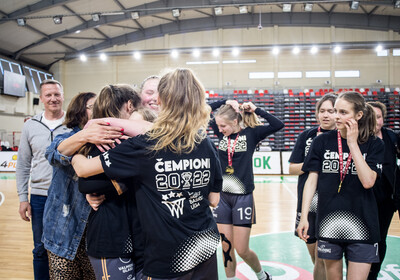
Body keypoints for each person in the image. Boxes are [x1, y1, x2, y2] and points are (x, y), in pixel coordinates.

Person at [71, 68, 223, 280]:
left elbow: (83, 169)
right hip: (205, 246)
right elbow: (214, 199)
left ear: (160, 99)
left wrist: (76, 155)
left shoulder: (146, 145)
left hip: (168, 256)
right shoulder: (204, 142)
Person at [297, 91, 384, 280]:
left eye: (343, 112)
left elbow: (368, 181)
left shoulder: (374, 144)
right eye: (336, 111)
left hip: (364, 225)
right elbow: (311, 180)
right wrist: (304, 217)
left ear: (358, 115)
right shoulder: (321, 141)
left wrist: (352, 143)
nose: (336, 116)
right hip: (328, 223)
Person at [77, 84, 153, 280]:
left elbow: (86, 180)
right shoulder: (105, 139)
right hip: (112, 235)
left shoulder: (141, 139)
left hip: (145, 236)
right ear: (129, 106)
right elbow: (85, 184)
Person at [210, 99, 284, 280]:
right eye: (218, 126)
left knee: (241, 249)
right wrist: (223, 102)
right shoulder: (221, 134)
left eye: (223, 126)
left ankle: (261, 275)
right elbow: (203, 111)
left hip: (242, 197)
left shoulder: (252, 134)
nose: (219, 130)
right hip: (222, 198)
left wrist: (257, 109)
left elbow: (278, 124)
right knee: (226, 247)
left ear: (235, 122)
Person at [16, 79, 69, 280]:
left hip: (67, 196)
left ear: (63, 96)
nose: (53, 99)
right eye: (48, 95)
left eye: (57, 94)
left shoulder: (74, 123)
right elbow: (22, 164)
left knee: (68, 247)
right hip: (39, 197)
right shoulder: (30, 126)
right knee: (40, 248)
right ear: (42, 99)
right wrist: (23, 198)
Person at [43, 92, 98, 280]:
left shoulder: (107, 141)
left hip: (95, 236)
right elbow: (54, 153)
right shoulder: (65, 138)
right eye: (92, 106)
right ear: (80, 111)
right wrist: (86, 136)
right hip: (62, 232)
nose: (98, 109)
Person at [289, 93, 337, 280]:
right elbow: (293, 168)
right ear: (317, 113)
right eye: (322, 111)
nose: (326, 115)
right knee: (313, 253)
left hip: (332, 203)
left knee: (323, 256)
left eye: (331, 111)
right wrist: (313, 162)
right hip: (308, 203)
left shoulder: (344, 138)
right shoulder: (306, 136)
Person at [367, 101, 400, 280]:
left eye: (378, 117)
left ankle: (373, 273)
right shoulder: (359, 139)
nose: (375, 120)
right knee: (362, 240)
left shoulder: (392, 137)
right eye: (371, 116)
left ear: (383, 119)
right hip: (365, 197)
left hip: (387, 199)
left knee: (381, 240)